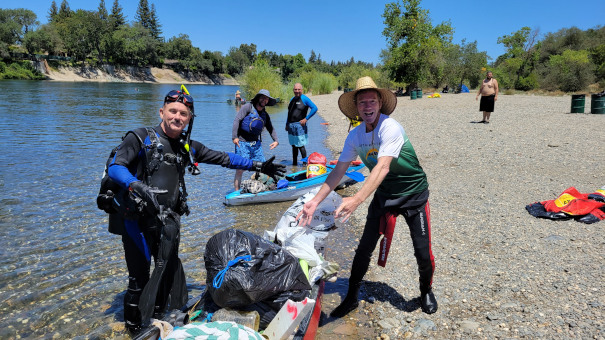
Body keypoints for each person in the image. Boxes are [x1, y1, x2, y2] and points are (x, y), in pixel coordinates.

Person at [107, 88, 285, 333]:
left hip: (167, 221)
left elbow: (223, 158)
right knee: (139, 279)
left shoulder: (186, 146)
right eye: (173, 111)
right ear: (162, 112)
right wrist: (135, 184)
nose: (177, 117)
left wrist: (258, 165)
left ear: (189, 118)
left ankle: (159, 320)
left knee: (167, 272)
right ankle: (134, 329)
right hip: (136, 222)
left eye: (183, 113)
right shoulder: (140, 137)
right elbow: (117, 168)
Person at [297, 76, 437, 317]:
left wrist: (356, 199)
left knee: (422, 252)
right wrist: (314, 202)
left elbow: (382, 167)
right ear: (357, 108)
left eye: (372, 101)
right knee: (363, 249)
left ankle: (426, 290)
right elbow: (337, 171)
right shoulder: (355, 136)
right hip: (384, 196)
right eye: (363, 103)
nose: (368, 106)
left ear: (380, 103)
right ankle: (351, 296)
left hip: (414, 194)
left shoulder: (390, 127)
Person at [232, 89, 280, 190]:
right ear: (258, 98)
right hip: (242, 142)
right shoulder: (247, 107)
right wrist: (234, 137)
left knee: (262, 167)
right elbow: (237, 120)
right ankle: (236, 192)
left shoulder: (265, 114)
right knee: (240, 168)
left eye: (266, 99)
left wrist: (276, 140)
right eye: (262, 97)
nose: (264, 100)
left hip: (256, 144)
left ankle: (259, 188)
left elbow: (270, 128)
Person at [285, 83, 318, 165]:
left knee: (300, 145)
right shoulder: (292, 99)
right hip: (291, 125)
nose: (297, 91)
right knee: (293, 145)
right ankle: (294, 163)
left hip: (299, 125)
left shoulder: (304, 99)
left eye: (299, 89)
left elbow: (314, 108)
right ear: (293, 90)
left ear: (302, 90)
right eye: (295, 89)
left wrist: (306, 119)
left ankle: (304, 164)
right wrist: (287, 123)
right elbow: (289, 112)